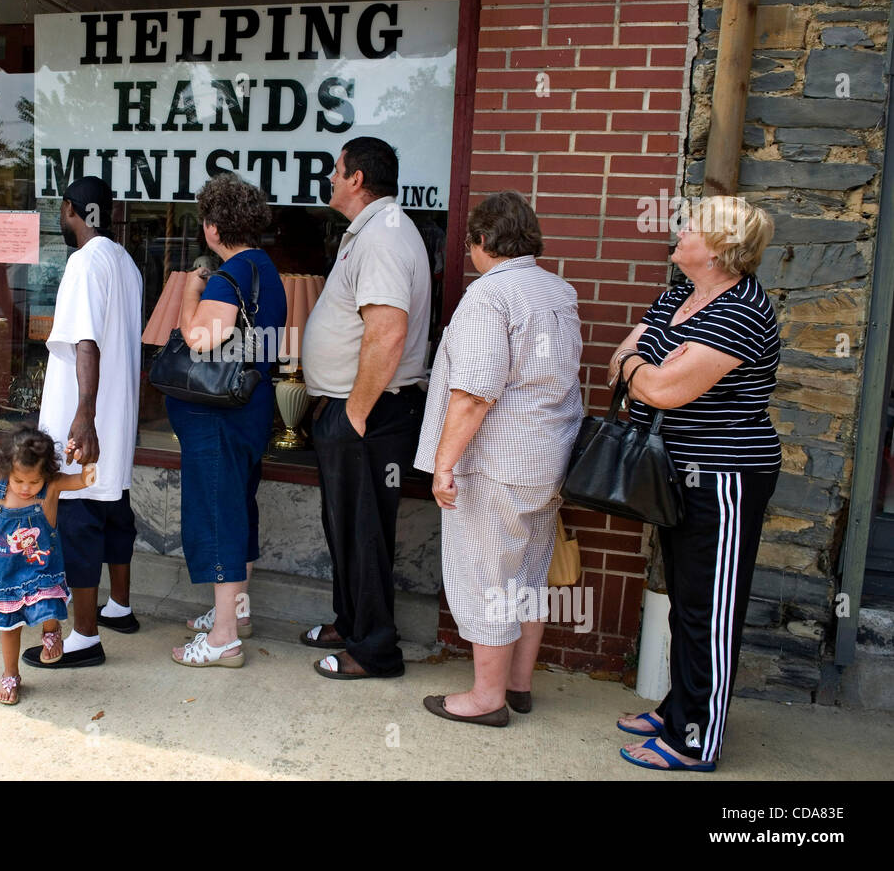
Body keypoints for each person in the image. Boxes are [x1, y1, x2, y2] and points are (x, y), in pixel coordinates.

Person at [613, 196, 779, 772]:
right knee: (687, 598)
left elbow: (660, 390)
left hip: (724, 477)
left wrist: (644, 371)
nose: (679, 230)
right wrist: (646, 369)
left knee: (710, 608)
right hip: (675, 471)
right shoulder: (680, 296)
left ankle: (695, 740)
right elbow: (625, 356)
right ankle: (679, 707)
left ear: (719, 248)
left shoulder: (741, 310)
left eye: (692, 226)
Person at [413, 191, 583, 726]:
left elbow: (474, 392)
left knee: (487, 578)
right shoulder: (559, 291)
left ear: (482, 241)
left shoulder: (490, 296)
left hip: (497, 462)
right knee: (528, 576)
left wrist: (444, 464)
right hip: (549, 458)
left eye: (470, 244)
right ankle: (518, 684)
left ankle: (487, 699)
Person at [300, 137, 431, 680]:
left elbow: (387, 332)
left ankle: (375, 651)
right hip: (361, 410)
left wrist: (353, 415)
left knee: (365, 534)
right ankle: (350, 623)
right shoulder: (376, 231)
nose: (330, 177)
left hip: (371, 415)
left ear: (357, 179)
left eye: (336, 170)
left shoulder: (382, 237)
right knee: (347, 528)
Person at [168, 173, 287, 668]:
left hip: (220, 418)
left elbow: (198, 338)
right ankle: (234, 615)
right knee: (238, 507)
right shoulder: (265, 270)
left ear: (214, 227)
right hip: (248, 409)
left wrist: (192, 287)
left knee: (218, 516)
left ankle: (223, 639)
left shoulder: (229, 275)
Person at [25, 176, 143, 668]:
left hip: (90, 420)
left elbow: (86, 342)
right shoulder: (126, 262)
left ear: (70, 209)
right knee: (115, 510)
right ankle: (120, 606)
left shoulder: (83, 261)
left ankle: (86, 636)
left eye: (61, 207)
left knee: (78, 519)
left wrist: (83, 415)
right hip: (118, 416)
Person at [0, 427, 97, 704]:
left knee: (47, 599)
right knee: (9, 627)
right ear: (6, 469)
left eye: (33, 482)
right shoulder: (0, 481)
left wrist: (85, 458)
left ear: (46, 473)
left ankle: (51, 632)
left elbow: (87, 480)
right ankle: (11, 674)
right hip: (7, 571)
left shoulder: (53, 485)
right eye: (18, 480)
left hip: (42, 566)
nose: (25, 488)